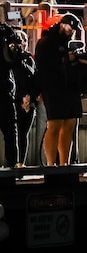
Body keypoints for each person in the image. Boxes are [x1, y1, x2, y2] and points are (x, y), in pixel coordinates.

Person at [35, 13, 86, 166]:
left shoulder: (70, 43)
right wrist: (64, 59)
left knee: (70, 124)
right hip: (53, 88)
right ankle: (51, 164)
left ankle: (64, 163)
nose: (72, 32)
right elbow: (43, 67)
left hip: (70, 87)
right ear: (63, 24)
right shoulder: (46, 42)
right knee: (54, 125)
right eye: (71, 28)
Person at [11, 29, 36, 167]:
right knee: (13, 134)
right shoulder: (11, 60)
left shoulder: (29, 59)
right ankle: (14, 162)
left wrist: (30, 97)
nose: (23, 43)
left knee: (23, 134)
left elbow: (34, 79)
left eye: (25, 40)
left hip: (28, 101)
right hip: (14, 100)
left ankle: (21, 162)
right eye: (20, 40)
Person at [0, 24, 23, 167]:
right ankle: (12, 167)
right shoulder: (5, 33)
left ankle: (12, 166)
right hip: (5, 91)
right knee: (10, 133)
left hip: (5, 91)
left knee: (10, 133)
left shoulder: (5, 33)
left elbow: (15, 58)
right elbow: (14, 59)